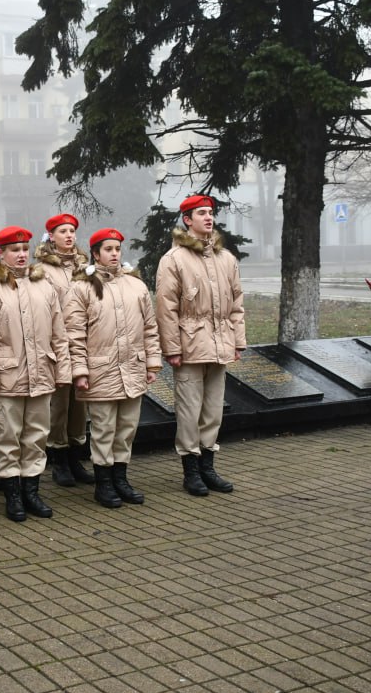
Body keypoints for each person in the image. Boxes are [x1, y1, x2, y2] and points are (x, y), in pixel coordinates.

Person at [0, 226, 70, 522]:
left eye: (25, 249)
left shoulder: (44, 286)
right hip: (7, 378)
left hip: (41, 375)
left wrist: (62, 370)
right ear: (0, 254)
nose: (22, 255)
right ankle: (12, 495)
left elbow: (59, 333)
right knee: (7, 437)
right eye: (14, 250)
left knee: (36, 436)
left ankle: (32, 491)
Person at [155, 194, 245, 496]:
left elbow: (236, 304)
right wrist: (172, 349)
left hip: (220, 344)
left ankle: (208, 466)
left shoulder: (226, 259)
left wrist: (238, 341)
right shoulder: (174, 260)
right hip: (190, 345)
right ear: (187, 220)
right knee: (189, 411)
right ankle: (190, 470)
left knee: (213, 411)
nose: (208, 218)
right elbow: (165, 308)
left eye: (210, 212)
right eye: (201, 213)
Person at [65, 229, 162, 508]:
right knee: (104, 428)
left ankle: (121, 478)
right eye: (108, 249)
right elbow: (74, 333)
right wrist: (80, 371)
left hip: (132, 368)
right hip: (101, 372)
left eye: (118, 248)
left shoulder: (136, 286)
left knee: (127, 428)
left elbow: (149, 328)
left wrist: (152, 363)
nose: (114, 254)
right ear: (95, 253)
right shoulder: (82, 288)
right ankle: (104, 483)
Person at [34, 213, 93, 487]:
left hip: (83, 341)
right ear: (51, 236)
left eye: (72, 231)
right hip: (57, 343)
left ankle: (75, 455)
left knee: (80, 403)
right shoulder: (43, 270)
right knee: (59, 404)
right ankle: (58, 457)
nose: (69, 235)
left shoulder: (85, 265)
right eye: (63, 231)